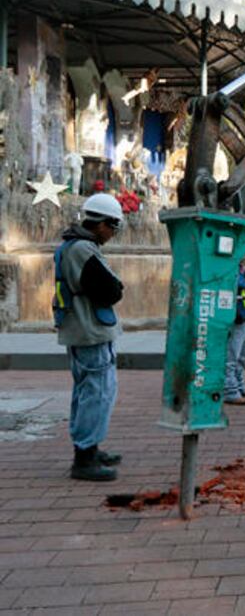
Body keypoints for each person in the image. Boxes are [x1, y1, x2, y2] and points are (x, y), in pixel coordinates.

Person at [54, 193, 125, 481]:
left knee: (87, 392)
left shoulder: (71, 246)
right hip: (90, 331)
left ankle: (89, 449)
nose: (113, 233)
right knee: (97, 393)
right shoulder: (83, 249)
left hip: (81, 330)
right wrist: (117, 285)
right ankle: (84, 458)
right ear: (101, 224)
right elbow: (111, 290)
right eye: (113, 227)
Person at [223, 256, 245, 405]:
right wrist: (237, 316)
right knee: (232, 357)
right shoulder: (229, 272)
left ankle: (238, 385)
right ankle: (230, 391)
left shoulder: (242, 273)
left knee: (240, 357)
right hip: (238, 321)